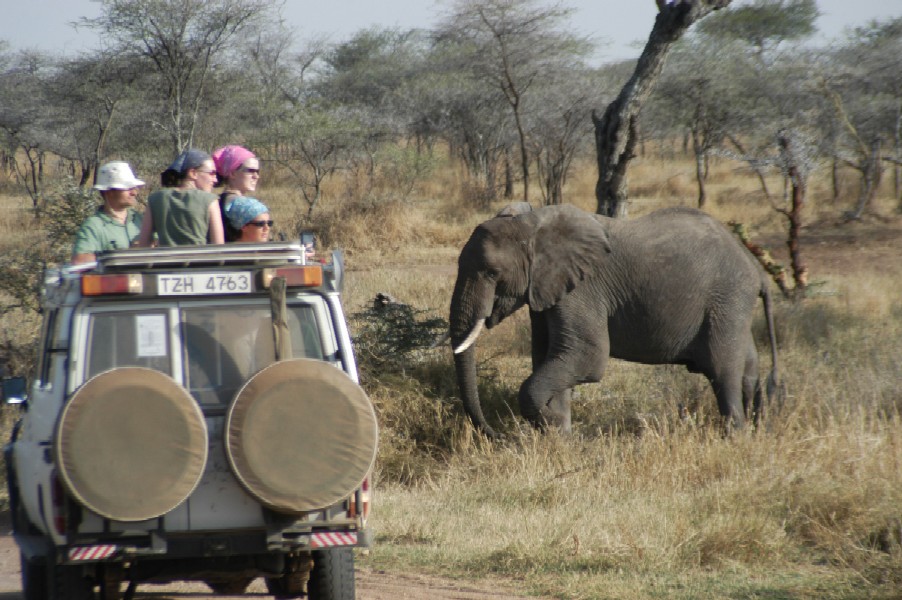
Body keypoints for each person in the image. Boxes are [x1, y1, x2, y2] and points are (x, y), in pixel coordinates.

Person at [136, 149, 224, 247]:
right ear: (193, 173)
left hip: (165, 261)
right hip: (198, 261)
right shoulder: (210, 200)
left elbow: (143, 244)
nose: (215, 179)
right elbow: (219, 247)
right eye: (212, 173)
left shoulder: (154, 199)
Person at [71, 161, 146, 264]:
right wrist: (122, 255)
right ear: (109, 192)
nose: (134, 192)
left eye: (133, 188)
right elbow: (79, 260)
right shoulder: (94, 225)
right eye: (127, 188)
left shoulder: (140, 219)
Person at [212, 145, 259, 242]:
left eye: (257, 172)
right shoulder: (239, 203)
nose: (256, 176)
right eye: (250, 171)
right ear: (232, 173)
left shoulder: (218, 200)